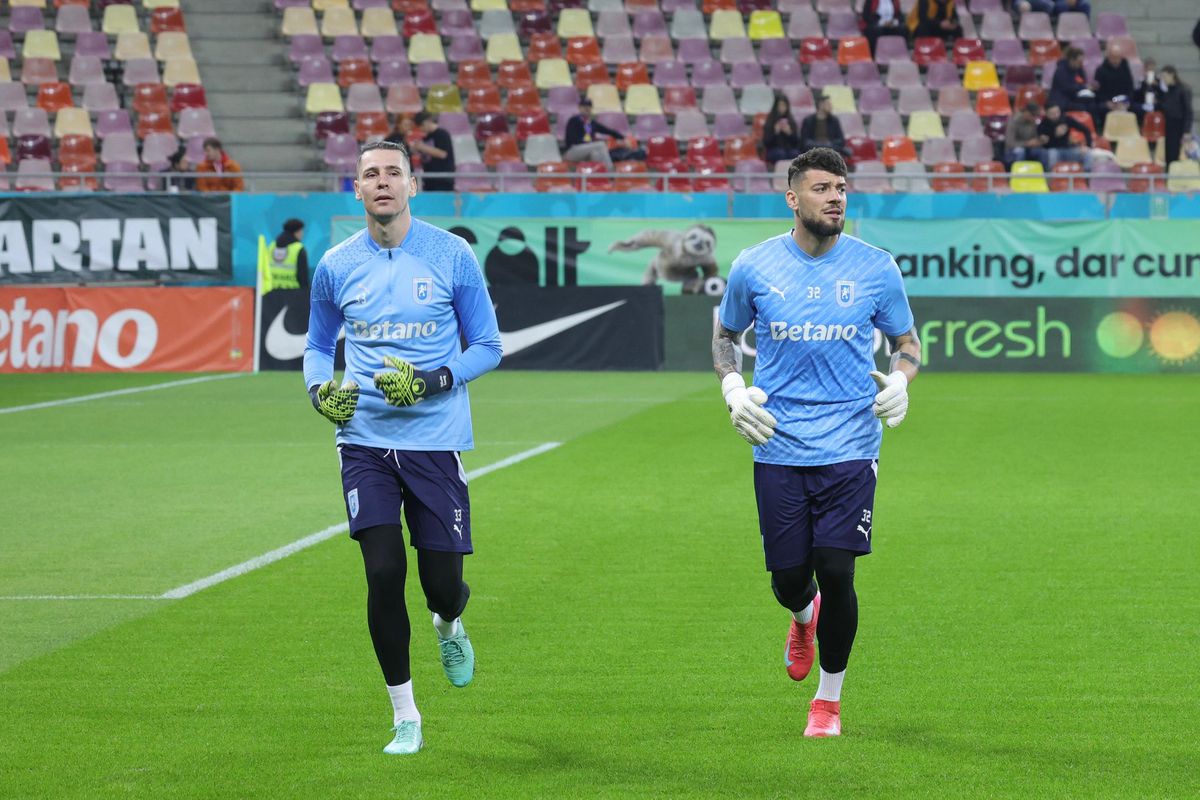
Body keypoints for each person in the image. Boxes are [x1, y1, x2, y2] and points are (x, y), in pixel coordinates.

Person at [303, 140, 502, 756]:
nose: (382, 182)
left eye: (393, 172)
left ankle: (450, 623)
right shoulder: (336, 263)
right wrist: (319, 390)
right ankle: (406, 716)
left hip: (436, 442)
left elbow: (488, 347)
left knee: (442, 586)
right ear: (355, 189)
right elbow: (317, 345)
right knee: (383, 570)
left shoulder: (452, 255)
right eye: (371, 174)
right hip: (363, 439)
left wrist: (432, 380)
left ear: (412, 185)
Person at [712, 147, 919, 738]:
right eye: (824, 187)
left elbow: (908, 342)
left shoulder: (876, 267)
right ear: (793, 198)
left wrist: (901, 383)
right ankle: (802, 617)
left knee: (839, 568)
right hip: (777, 442)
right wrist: (732, 386)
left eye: (843, 187)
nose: (837, 197)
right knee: (788, 580)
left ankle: (827, 701)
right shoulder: (754, 266)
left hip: (852, 445)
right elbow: (725, 333)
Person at [562, 98, 624, 170]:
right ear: (579, 108)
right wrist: (590, 143)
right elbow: (572, 139)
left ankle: (601, 178)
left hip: (586, 151)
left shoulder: (591, 123)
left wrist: (623, 138)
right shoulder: (574, 120)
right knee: (600, 144)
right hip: (572, 151)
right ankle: (611, 172)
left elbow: (608, 131)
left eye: (589, 106)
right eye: (584, 106)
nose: (586, 108)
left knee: (595, 154)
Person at [258, 218, 308, 293]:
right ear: (297, 232)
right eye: (301, 231)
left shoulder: (272, 246)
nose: (302, 234)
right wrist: (306, 292)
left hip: (272, 292)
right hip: (293, 294)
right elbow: (302, 276)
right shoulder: (298, 249)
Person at [408, 112, 455, 192]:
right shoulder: (426, 138)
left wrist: (423, 147)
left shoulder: (442, 134)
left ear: (428, 121)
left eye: (422, 125)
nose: (421, 129)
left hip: (443, 180)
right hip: (429, 180)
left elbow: (443, 154)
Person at [1037, 102, 1093, 168]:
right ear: (1046, 113)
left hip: (1068, 150)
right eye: (1052, 113)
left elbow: (1086, 130)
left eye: (1057, 112)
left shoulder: (1066, 119)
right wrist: (1054, 135)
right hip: (1053, 151)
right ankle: (1052, 177)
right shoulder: (1042, 125)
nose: (1056, 115)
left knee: (1088, 153)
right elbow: (1043, 144)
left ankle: (1087, 176)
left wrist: (1087, 146)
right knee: (1051, 154)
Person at [1093, 42, 1134, 130]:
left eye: (1118, 58)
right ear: (1108, 57)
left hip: (1122, 100)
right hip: (1108, 101)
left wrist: (1126, 101)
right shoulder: (1100, 70)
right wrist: (1108, 102)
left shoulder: (1125, 68)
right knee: (1101, 108)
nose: (1116, 60)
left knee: (1137, 108)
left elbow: (1130, 87)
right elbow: (1098, 91)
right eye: (1113, 58)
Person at [1048, 47, 1097, 120]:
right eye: (1079, 61)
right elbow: (1066, 87)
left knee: (1093, 103)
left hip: (1074, 96)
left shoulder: (1079, 69)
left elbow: (1083, 82)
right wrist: (1084, 87)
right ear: (1072, 60)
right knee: (1082, 107)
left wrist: (1087, 87)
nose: (1081, 64)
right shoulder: (1061, 70)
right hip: (1062, 99)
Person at [1159, 66, 1194, 166]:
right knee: (1169, 154)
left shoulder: (1183, 90)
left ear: (1172, 75)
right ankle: (1169, 176)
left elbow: (1188, 111)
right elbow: (1166, 107)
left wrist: (1187, 131)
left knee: (1177, 153)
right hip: (1169, 124)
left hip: (1179, 125)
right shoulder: (1168, 90)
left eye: (1165, 76)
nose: (1163, 79)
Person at [797, 93, 845, 160]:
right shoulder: (808, 121)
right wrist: (819, 146)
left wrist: (829, 145)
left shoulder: (834, 120)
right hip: (813, 152)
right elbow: (804, 142)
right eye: (828, 104)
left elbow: (841, 140)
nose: (831, 106)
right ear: (820, 105)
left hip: (831, 151)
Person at [763, 93, 804, 164]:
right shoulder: (770, 121)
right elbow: (766, 143)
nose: (782, 108)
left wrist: (789, 133)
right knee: (780, 153)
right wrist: (775, 132)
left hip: (789, 149)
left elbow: (797, 143)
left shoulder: (791, 121)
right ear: (775, 106)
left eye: (784, 105)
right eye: (780, 105)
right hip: (773, 150)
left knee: (795, 153)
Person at [1005, 103, 1046, 168]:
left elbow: (1034, 137)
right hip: (1012, 150)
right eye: (1032, 115)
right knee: (1020, 152)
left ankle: (1042, 175)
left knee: (1041, 152)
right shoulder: (1014, 121)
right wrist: (1026, 143)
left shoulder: (1033, 122)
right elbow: (1009, 143)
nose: (1034, 118)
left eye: (1035, 116)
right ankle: (1018, 175)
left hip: (1028, 149)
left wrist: (1039, 141)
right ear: (1026, 112)